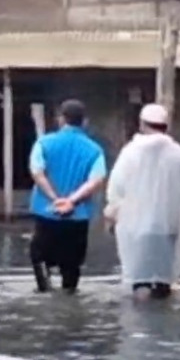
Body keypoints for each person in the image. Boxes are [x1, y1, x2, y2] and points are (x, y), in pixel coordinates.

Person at [104, 103, 180, 299]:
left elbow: (116, 190)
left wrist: (111, 215)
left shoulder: (129, 153)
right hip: (167, 227)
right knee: (163, 280)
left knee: (138, 280)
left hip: (134, 228)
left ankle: (140, 323)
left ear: (142, 125)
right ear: (166, 126)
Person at [28, 99, 108, 294]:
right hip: (77, 218)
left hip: (46, 213)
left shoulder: (43, 143)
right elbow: (96, 180)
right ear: (85, 122)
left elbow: (37, 172)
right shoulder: (94, 150)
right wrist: (71, 201)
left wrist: (55, 199)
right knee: (71, 267)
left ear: (61, 119)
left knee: (39, 257)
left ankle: (44, 291)